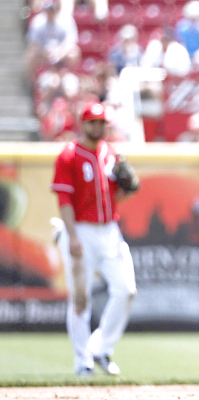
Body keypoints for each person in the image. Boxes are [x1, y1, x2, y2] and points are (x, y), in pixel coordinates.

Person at [51, 102, 138, 377]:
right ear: (83, 124)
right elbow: (64, 199)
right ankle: (83, 361)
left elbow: (118, 195)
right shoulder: (69, 156)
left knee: (127, 290)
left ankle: (100, 347)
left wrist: (128, 187)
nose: (98, 127)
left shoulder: (110, 154)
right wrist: (72, 236)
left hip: (110, 229)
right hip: (81, 229)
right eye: (93, 122)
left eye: (102, 122)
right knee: (80, 298)